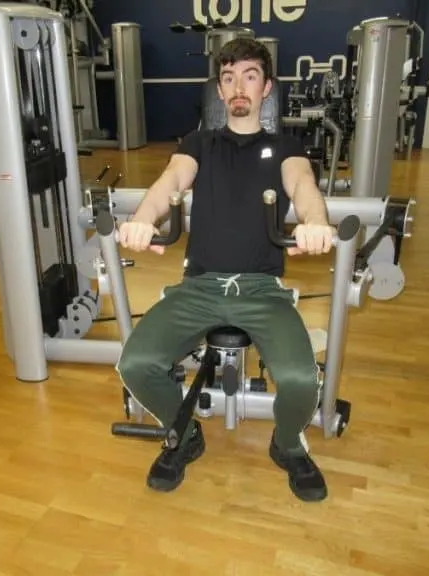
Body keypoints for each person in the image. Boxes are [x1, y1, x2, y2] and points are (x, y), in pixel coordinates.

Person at [114, 38, 334, 502]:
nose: (239, 87)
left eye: (250, 76)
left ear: (266, 87)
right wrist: (141, 220)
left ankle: (289, 442)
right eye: (230, 78)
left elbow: (305, 186)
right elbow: (168, 182)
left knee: (298, 380)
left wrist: (315, 223)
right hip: (200, 287)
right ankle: (185, 430)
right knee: (135, 364)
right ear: (219, 88)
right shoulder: (199, 144)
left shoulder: (286, 145)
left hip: (261, 289)